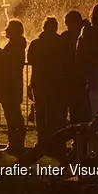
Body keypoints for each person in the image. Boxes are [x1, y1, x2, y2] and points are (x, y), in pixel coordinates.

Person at [28, 17, 69, 152]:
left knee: (40, 112)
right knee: (55, 113)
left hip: (39, 82)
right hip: (56, 83)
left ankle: (42, 141)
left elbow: (31, 60)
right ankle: (56, 142)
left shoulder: (35, 44)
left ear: (43, 27)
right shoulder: (61, 43)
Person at [0, 19, 26, 155]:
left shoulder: (14, 46)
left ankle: (15, 143)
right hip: (14, 84)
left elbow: (7, 62)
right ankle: (17, 142)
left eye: (9, 27)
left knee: (12, 115)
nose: (6, 29)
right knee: (14, 115)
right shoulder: (18, 45)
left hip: (10, 85)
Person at [60, 10, 91, 125]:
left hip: (73, 79)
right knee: (81, 111)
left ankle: (75, 137)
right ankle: (80, 139)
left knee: (75, 110)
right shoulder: (88, 34)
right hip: (82, 79)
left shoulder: (68, 37)